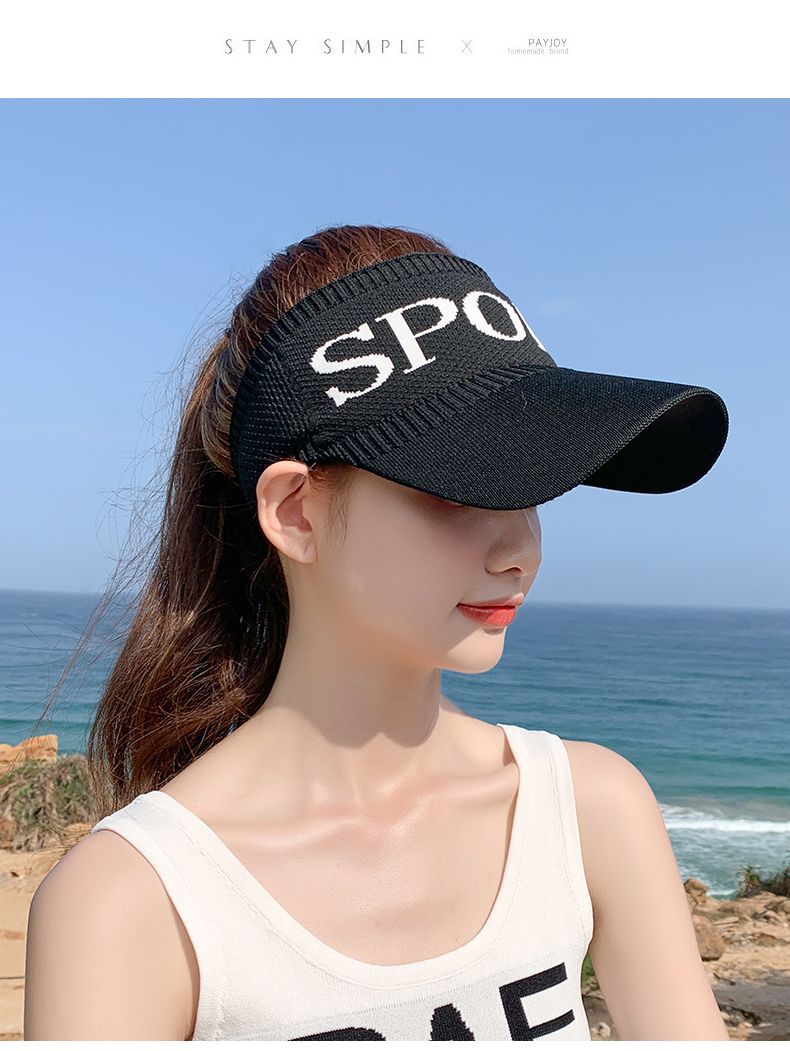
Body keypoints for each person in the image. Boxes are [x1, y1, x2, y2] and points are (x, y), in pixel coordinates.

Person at [23, 224, 731, 1041]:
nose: (520, 548)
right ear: (296, 512)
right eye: (461, 490)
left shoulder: (588, 809)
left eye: (534, 487)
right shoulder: (136, 900)